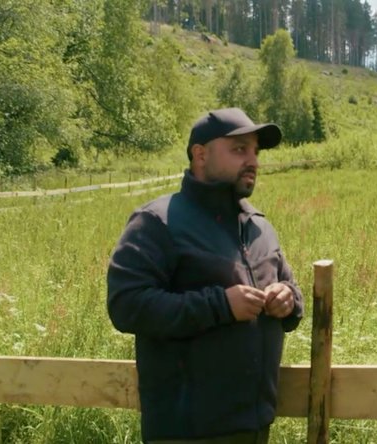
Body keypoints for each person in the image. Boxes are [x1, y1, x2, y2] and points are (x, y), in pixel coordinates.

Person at [107, 108, 304, 444]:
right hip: (186, 432)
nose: (253, 161)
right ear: (200, 155)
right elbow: (126, 305)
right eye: (239, 149)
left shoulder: (259, 227)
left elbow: (292, 290)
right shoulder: (158, 222)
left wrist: (288, 300)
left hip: (256, 428)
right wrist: (220, 306)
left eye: (255, 151)